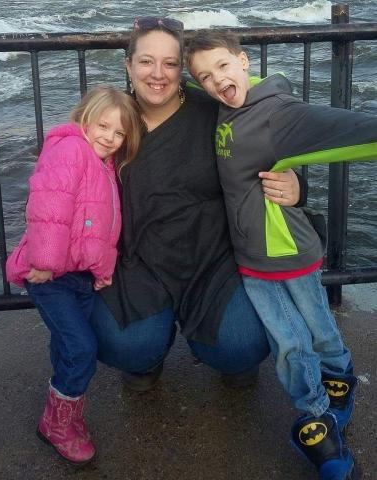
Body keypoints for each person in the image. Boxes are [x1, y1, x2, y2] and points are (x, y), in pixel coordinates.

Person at [186, 29, 377, 480]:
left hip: (293, 253)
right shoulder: (217, 104)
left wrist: (297, 186)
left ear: (244, 60)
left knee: (318, 328)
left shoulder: (277, 114)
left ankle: (340, 377)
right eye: (206, 76)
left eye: (224, 67)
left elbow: (345, 126)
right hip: (251, 261)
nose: (217, 81)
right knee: (288, 342)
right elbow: (191, 81)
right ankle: (316, 413)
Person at [89, 18, 301, 419]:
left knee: (242, 344)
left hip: (213, 257)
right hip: (137, 261)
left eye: (169, 64)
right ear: (128, 64)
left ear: (181, 69)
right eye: (147, 61)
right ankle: (146, 356)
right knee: (123, 345)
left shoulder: (216, 111)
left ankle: (229, 355)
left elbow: (274, 153)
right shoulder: (110, 122)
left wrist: (294, 185)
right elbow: (65, 175)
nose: (157, 74)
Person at [5, 85, 144, 464]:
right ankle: (57, 423)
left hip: (78, 277)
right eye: (104, 126)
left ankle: (64, 413)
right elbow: (49, 205)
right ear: (83, 117)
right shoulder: (70, 151)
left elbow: (101, 228)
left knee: (68, 346)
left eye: (119, 134)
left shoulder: (103, 163)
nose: (110, 138)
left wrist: (101, 271)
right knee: (82, 348)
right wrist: (46, 260)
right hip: (50, 277)